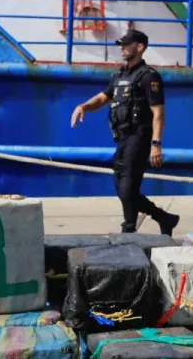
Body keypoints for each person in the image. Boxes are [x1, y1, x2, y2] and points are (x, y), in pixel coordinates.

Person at [70, 29, 179, 235]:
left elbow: (158, 112)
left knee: (128, 189)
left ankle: (128, 231)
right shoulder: (120, 75)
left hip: (139, 137)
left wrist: (156, 144)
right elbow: (103, 98)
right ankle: (165, 218)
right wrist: (83, 106)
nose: (122, 48)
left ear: (139, 47)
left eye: (127, 44)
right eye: (121, 44)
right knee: (122, 189)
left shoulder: (149, 76)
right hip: (121, 138)